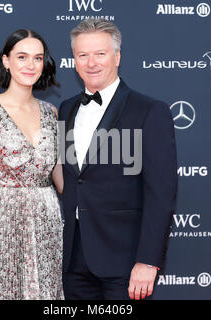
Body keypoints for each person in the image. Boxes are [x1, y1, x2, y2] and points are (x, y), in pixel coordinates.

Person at [59, 19, 178, 300]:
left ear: (118, 56)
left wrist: (148, 261)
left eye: (100, 53)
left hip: (125, 261)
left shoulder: (149, 111)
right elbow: (73, 177)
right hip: (73, 259)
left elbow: (161, 193)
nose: (91, 63)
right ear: (74, 60)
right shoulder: (66, 109)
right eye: (82, 55)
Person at [0, 29, 64, 300]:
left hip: (46, 224)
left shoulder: (52, 113)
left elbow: (62, 178)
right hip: (1, 224)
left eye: (37, 58)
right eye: (22, 57)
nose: (30, 65)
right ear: (6, 61)